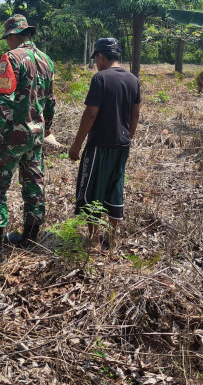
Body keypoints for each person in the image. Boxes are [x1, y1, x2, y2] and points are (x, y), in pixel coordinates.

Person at [0, 14, 56, 262]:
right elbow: (50, 101)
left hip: (12, 136)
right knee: (33, 185)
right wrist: (48, 129)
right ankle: (30, 238)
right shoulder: (47, 60)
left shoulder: (10, 58)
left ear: (12, 36)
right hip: (35, 137)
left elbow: (4, 99)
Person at [69, 37, 140, 250]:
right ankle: (113, 237)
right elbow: (135, 114)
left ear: (101, 56)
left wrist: (76, 145)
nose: (96, 64)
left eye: (96, 59)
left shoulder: (100, 78)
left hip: (100, 144)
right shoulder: (133, 79)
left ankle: (94, 240)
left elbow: (91, 113)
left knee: (93, 190)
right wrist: (129, 136)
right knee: (115, 187)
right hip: (122, 145)